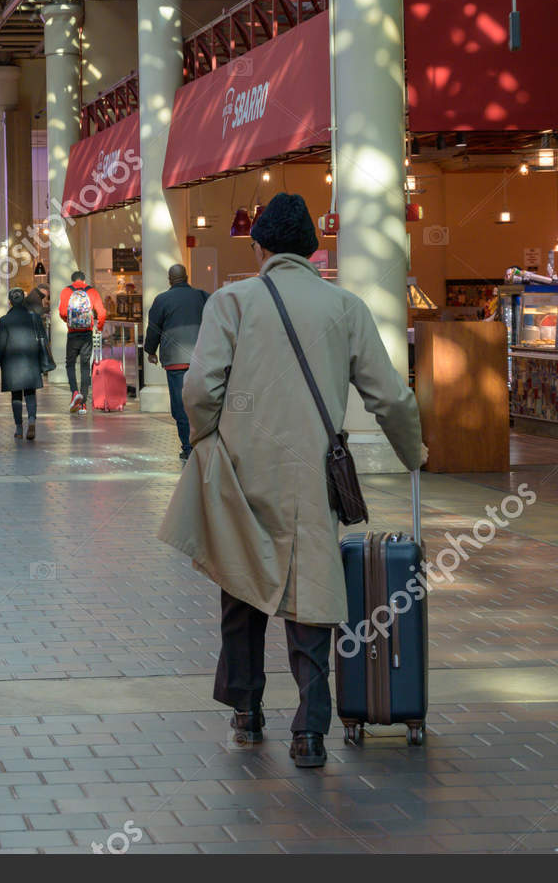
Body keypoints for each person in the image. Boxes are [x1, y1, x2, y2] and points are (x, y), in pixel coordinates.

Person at [158, 193, 426, 770]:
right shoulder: (346, 307)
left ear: (259, 247)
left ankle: (246, 713)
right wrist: (414, 453)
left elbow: (200, 389)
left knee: (241, 585)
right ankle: (309, 732)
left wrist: (207, 439)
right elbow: (389, 395)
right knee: (310, 592)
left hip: (240, 468)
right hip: (311, 471)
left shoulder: (231, 302)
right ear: (312, 248)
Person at [144, 264, 210, 462]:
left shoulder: (162, 300)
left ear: (170, 280)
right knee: (201, 402)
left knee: (180, 405)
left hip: (175, 361)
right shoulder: (202, 296)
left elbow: (154, 328)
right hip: (201, 359)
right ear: (187, 277)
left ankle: (188, 448)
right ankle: (203, 444)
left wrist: (150, 351)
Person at [0, 287, 50, 440]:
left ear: (10, 302)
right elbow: (43, 339)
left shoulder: (5, 320)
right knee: (30, 393)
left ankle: (19, 428)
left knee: (16, 395)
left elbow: (1, 346)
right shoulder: (34, 318)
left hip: (12, 363)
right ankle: (31, 420)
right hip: (31, 361)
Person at [57, 271, 106, 413]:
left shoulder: (66, 291)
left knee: (70, 364)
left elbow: (62, 312)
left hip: (73, 333)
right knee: (85, 367)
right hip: (87, 333)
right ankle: (83, 404)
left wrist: (69, 321)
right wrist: (99, 328)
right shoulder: (92, 291)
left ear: (72, 280)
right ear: (84, 280)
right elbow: (102, 312)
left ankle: (74, 392)